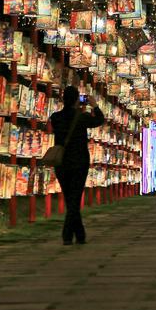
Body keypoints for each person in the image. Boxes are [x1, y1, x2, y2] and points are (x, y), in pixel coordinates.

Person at [49, 86, 105, 245]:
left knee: (70, 197)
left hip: (61, 162)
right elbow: (99, 120)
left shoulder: (55, 117)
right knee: (74, 197)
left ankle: (79, 235)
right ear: (76, 100)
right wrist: (94, 106)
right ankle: (68, 235)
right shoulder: (81, 117)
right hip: (79, 161)